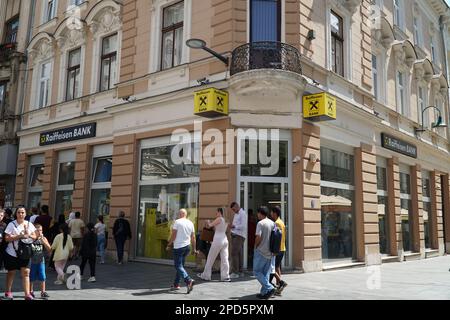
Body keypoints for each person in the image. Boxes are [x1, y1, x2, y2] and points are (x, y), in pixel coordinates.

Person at [3, 206, 37, 300]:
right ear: (16, 214)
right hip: (12, 253)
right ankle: (8, 291)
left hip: (25, 253)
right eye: (19, 212)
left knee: (26, 273)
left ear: (25, 214)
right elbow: (7, 238)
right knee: (11, 272)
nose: (21, 214)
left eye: (22, 212)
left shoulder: (29, 224)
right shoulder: (11, 224)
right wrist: (20, 236)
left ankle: (27, 294)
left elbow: (35, 236)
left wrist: (28, 234)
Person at [166, 209, 197, 293]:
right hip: (187, 247)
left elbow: (174, 235)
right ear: (185, 215)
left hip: (179, 247)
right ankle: (176, 284)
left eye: (178, 213)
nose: (178, 214)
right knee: (180, 266)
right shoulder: (190, 223)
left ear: (180, 214)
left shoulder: (177, 222)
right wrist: (194, 248)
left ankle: (188, 280)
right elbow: (193, 237)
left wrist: (169, 244)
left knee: (178, 266)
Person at [197, 208, 230, 282]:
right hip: (225, 239)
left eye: (217, 212)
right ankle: (225, 276)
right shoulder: (226, 220)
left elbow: (209, 226)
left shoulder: (219, 219)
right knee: (225, 259)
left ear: (219, 212)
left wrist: (208, 222)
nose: (216, 214)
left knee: (210, 258)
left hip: (218, 240)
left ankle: (206, 275)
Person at [253, 206, 275, 299]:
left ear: (260, 213)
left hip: (261, 251)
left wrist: (255, 246)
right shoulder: (272, 223)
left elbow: (258, 237)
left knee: (257, 272)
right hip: (270, 252)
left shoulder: (260, 223)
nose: (257, 215)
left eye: (258, 213)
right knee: (265, 273)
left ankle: (270, 288)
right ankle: (264, 293)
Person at [29, 223, 51, 299]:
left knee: (42, 276)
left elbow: (49, 249)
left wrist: (43, 241)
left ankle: (43, 292)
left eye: (41, 230)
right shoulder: (31, 239)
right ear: (34, 231)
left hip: (41, 261)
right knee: (31, 277)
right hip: (32, 261)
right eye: (37, 230)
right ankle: (30, 291)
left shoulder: (44, 238)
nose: (39, 232)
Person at [270, 206, 288, 295]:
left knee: (272, 268)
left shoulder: (277, 223)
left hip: (278, 249)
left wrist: (273, 249)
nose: (270, 214)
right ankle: (278, 287)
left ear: (275, 213)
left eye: (271, 212)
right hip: (282, 248)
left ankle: (280, 284)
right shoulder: (282, 222)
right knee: (277, 267)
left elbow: (277, 237)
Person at [229, 202, 247, 279]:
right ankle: (240, 271)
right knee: (239, 254)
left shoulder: (242, 214)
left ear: (237, 206)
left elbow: (243, 226)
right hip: (235, 235)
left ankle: (235, 272)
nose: (233, 211)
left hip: (239, 236)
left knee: (234, 253)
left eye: (233, 209)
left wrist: (234, 226)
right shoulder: (237, 214)